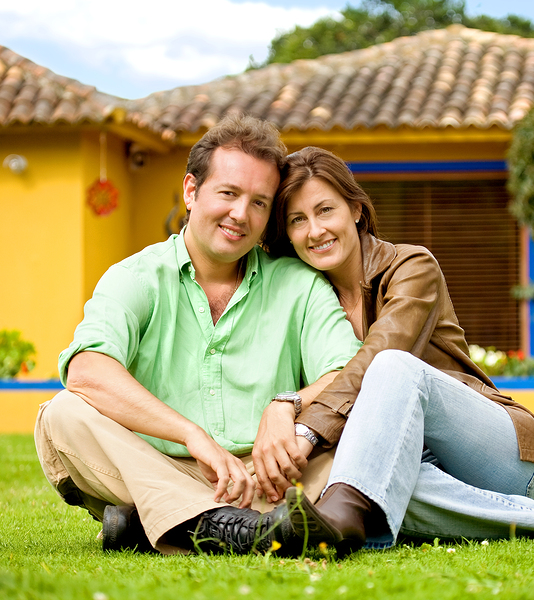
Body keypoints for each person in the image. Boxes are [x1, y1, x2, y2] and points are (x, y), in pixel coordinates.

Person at [257, 146, 534, 555]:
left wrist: (307, 431)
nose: (315, 230)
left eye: (325, 210)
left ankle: (345, 507)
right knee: (378, 491)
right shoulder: (305, 297)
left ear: (357, 210)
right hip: (406, 460)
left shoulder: (411, 267)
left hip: (496, 453)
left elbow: (380, 352)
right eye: (297, 220)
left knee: (392, 366)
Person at [33, 117, 363, 555]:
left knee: (356, 435)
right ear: (191, 191)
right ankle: (236, 526)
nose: (241, 215)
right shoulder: (136, 276)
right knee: (62, 416)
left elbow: (350, 371)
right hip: (154, 464)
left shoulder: (298, 283)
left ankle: (158, 522)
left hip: (270, 476)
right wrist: (191, 435)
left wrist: (288, 405)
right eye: (228, 193)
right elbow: (87, 370)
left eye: (259, 203)